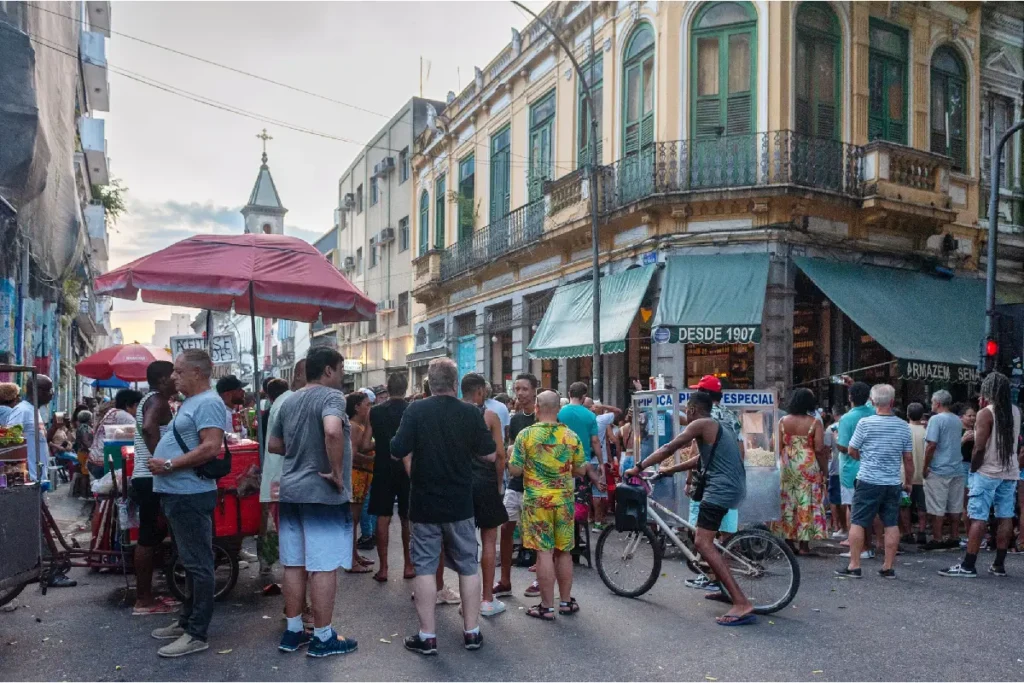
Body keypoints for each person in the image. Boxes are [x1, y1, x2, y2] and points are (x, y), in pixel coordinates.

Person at [390, 358, 496, 656]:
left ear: (429, 383)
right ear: (454, 382)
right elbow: (489, 455)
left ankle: (428, 637)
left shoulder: (416, 410)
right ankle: (472, 633)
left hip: (424, 502)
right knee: (467, 564)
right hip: (461, 502)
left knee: (424, 566)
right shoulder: (470, 412)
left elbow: (397, 450)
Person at [627, 392, 753, 625]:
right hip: (733, 486)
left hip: (720, 489)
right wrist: (668, 470)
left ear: (693, 410)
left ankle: (741, 603)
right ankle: (722, 587)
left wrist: (639, 466)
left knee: (702, 542)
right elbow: (699, 461)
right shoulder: (717, 425)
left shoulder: (700, 424)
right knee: (709, 539)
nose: (686, 413)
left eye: (687, 409)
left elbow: (669, 447)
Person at [267, 347, 357, 658]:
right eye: (341, 370)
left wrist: (300, 449)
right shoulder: (331, 397)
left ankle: (293, 632)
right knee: (323, 565)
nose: (342, 376)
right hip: (321, 494)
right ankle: (322, 637)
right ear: (329, 371)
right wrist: (334, 470)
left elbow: (274, 444)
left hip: (292, 491)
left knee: (294, 563)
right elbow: (332, 430)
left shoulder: (289, 400)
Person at [148, 350, 227, 657]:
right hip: (178, 493)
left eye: (179, 372)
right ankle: (186, 621)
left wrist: (169, 465)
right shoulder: (190, 403)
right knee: (189, 562)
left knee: (199, 564)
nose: (173, 377)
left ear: (197, 372)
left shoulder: (208, 402)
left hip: (190, 493)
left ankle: (197, 632)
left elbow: (210, 447)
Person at [508, 390, 587, 620]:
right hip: (564, 500)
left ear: (537, 409)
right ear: (558, 410)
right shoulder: (570, 436)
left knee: (543, 552)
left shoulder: (526, 435)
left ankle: (546, 606)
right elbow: (581, 469)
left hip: (536, 501)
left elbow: (514, 470)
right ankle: (565, 602)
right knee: (564, 551)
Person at [941, 372, 1021, 578]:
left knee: (977, 516)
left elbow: (979, 447)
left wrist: (974, 468)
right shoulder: (1015, 411)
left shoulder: (986, 413)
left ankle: (968, 565)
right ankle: (999, 564)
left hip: (987, 471)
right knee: (1005, 515)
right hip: (1009, 471)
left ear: (988, 390)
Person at [834, 384, 913, 580]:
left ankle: (854, 565)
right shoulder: (903, 426)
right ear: (892, 402)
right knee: (890, 522)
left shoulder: (866, 423)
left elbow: (851, 449)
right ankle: (888, 567)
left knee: (858, 521)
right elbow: (908, 458)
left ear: (873, 401)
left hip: (868, 479)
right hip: (892, 481)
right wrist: (908, 481)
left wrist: (866, 458)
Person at [130, 361, 177, 616]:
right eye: (174, 375)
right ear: (161, 379)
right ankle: (143, 601)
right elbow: (149, 428)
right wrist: (161, 462)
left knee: (154, 534)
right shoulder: (157, 399)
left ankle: (148, 595)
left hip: (147, 476)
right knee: (148, 538)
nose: (177, 379)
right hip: (150, 478)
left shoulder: (152, 398)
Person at [461, 373, 509, 617]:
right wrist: (499, 485)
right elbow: (500, 455)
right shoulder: (489, 416)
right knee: (489, 540)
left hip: (460, 484)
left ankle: (466, 599)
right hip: (485, 482)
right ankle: (487, 600)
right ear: (480, 392)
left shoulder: (453, 415)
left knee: (465, 542)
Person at [368, 372, 414, 583]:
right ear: (405, 388)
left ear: (388, 388)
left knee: (382, 517)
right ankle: (408, 565)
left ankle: (384, 568)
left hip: (383, 467)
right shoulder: (412, 410)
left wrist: (382, 443)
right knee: (406, 518)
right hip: (407, 469)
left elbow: (366, 441)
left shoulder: (375, 412)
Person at [496, 372, 539, 599]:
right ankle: (504, 580)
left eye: (524, 389)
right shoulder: (515, 420)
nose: (520, 393)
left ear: (534, 391)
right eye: (517, 389)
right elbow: (511, 447)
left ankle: (541, 579)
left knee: (537, 535)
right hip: (515, 483)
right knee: (506, 528)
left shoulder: (544, 417)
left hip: (536, 485)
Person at [770, 388, 827, 555]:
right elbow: (819, 448)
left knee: (788, 500)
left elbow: (776, 446)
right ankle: (804, 545)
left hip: (788, 463)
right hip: (807, 464)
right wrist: (824, 470)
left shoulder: (782, 421)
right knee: (806, 501)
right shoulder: (815, 422)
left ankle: (788, 541)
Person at [836, 381, 877, 559]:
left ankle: (860, 549)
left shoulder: (847, 418)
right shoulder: (874, 412)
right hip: (872, 468)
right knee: (868, 510)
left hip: (851, 469)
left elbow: (844, 446)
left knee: (854, 511)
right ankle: (868, 546)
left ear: (850, 397)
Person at [921, 391, 966, 551]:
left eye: (933, 402)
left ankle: (937, 538)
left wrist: (925, 466)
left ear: (937, 403)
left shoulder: (936, 419)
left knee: (937, 506)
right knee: (955, 505)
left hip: (939, 468)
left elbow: (931, 445)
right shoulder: (956, 419)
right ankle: (954, 536)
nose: (932, 405)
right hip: (956, 467)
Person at [557, 382, 606, 526]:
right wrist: (601, 462)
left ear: (569, 394)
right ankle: (577, 536)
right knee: (579, 504)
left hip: (561, 463)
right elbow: (595, 441)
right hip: (582, 465)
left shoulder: (560, 413)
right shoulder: (590, 416)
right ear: (584, 397)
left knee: (562, 503)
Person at [345, 391, 376, 574]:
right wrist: (373, 460)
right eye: (367, 405)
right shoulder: (354, 426)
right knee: (353, 519)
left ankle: (355, 555)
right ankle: (350, 559)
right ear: (357, 407)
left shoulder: (360, 426)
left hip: (362, 476)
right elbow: (353, 454)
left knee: (355, 519)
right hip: (356, 476)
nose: (369, 409)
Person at [5, 375, 54, 484]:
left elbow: (41, 440)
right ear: (39, 391)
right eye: (50, 390)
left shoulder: (34, 410)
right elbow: (10, 441)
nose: (52, 394)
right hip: (30, 479)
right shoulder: (22, 410)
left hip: (39, 477)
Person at [88, 389, 142, 479]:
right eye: (138, 406)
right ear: (130, 406)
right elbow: (140, 437)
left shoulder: (112, 412)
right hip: (103, 463)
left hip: (94, 460)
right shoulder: (125, 417)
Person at [904, 402, 928, 544]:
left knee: (905, 505)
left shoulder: (904, 429)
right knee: (922, 506)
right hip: (923, 475)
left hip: (905, 475)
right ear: (922, 415)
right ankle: (922, 531)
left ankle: (907, 533)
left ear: (907, 415)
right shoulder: (927, 431)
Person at [957, 403, 977, 543]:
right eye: (969, 415)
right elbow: (952, 449)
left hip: (976, 467)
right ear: (962, 417)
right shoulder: (958, 431)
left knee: (973, 500)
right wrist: (963, 440)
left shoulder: (979, 429)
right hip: (962, 466)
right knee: (966, 501)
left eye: (974, 415)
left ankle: (973, 534)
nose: (972, 418)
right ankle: (969, 533)